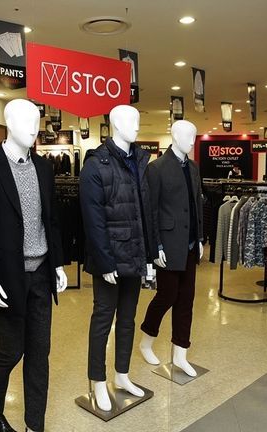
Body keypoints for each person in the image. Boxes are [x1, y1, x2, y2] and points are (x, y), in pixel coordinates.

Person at [0, 99, 68, 432]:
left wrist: (58, 265)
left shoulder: (44, 168)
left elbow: (51, 221)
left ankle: (34, 425)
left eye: (37, 121)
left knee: (39, 353)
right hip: (6, 277)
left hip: (41, 275)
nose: (34, 128)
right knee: (10, 351)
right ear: (8, 123)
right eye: (27, 121)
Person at [79, 104, 153, 412]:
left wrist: (149, 255)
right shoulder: (96, 164)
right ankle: (97, 380)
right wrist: (105, 262)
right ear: (115, 124)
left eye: (138, 119)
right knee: (102, 319)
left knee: (128, 318)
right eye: (131, 120)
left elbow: (144, 211)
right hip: (109, 257)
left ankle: (122, 375)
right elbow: (92, 220)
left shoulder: (140, 160)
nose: (136, 125)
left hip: (134, 254)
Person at [139, 120, 204, 377]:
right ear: (175, 136)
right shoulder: (156, 168)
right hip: (168, 244)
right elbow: (151, 211)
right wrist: (155, 246)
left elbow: (196, 205)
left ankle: (180, 354)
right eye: (188, 135)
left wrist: (200, 238)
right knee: (166, 295)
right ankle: (146, 341)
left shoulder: (194, 168)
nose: (192, 141)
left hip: (190, 244)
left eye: (195, 136)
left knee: (187, 298)